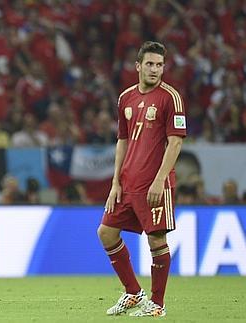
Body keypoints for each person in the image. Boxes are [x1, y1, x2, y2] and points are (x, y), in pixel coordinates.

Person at [97, 41, 186, 317]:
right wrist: (115, 183)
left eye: (159, 65)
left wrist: (160, 180)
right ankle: (134, 293)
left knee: (156, 241)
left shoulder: (170, 97)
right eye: (149, 64)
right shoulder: (125, 98)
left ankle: (157, 305)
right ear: (138, 66)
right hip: (127, 184)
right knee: (106, 233)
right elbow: (122, 141)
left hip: (154, 184)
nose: (155, 69)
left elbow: (175, 144)